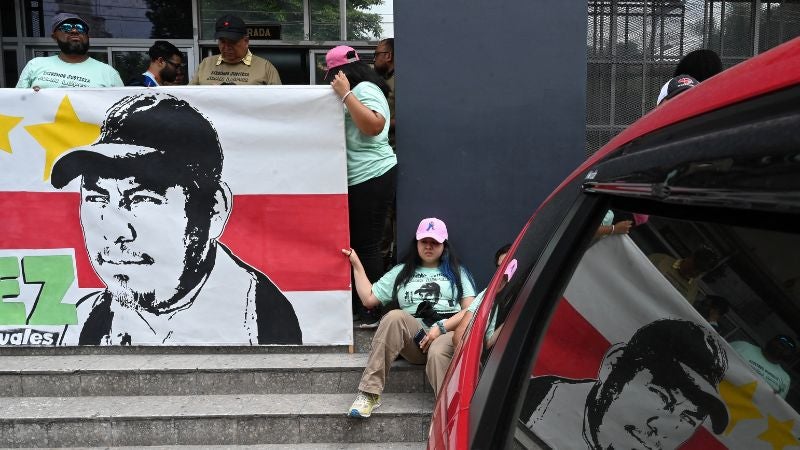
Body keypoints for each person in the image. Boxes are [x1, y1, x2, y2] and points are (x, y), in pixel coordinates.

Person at [51, 93, 302, 345]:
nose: (114, 230)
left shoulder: (265, 323)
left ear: (213, 208)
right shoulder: (85, 320)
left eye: (141, 198)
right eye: (97, 199)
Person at [521, 319, 729, 450]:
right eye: (661, 397)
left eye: (689, 419)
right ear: (613, 365)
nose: (663, 427)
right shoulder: (513, 402)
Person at [342, 217, 476, 416]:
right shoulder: (402, 272)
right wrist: (356, 264)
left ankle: (450, 413)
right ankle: (369, 393)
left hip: (445, 334)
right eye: (424, 242)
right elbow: (369, 299)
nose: (428, 247)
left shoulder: (458, 272)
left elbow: (471, 311)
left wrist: (442, 327)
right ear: (417, 243)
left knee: (439, 350)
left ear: (444, 245)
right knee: (394, 316)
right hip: (416, 339)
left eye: (435, 242)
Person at [326, 45, 397, 326]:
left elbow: (374, 126)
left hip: (372, 174)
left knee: (367, 244)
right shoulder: (358, 90)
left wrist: (345, 94)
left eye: (331, 75)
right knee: (358, 242)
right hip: (357, 177)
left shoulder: (365, 89)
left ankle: (371, 308)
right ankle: (362, 304)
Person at [15, 13, 123, 89]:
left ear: (87, 36)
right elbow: (17, 102)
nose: (74, 31)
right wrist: (30, 97)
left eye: (80, 28)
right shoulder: (35, 65)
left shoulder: (109, 73)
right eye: (66, 27)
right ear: (54, 37)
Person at [190, 15, 281, 85]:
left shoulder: (265, 67)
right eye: (222, 41)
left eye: (232, 42)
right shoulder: (206, 64)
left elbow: (278, 100)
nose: (227, 46)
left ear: (246, 41)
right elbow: (189, 97)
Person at [730, 335, 795, 398]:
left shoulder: (785, 378)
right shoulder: (743, 346)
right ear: (770, 340)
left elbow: (775, 403)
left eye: (787, 347)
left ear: (789, 354)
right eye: (781, 343)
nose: (782, 347)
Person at [648, 246, 718, 305]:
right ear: (691, 257)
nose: (695, 272)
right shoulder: (660, 260)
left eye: (701, 271)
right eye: (695, 267)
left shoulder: (693, 290)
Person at [372, 38, 395, 150]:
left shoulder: (400, 82)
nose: (374, 59)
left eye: (376, 54)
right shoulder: (383, 79)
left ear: (388, 56)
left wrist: (375, 123)